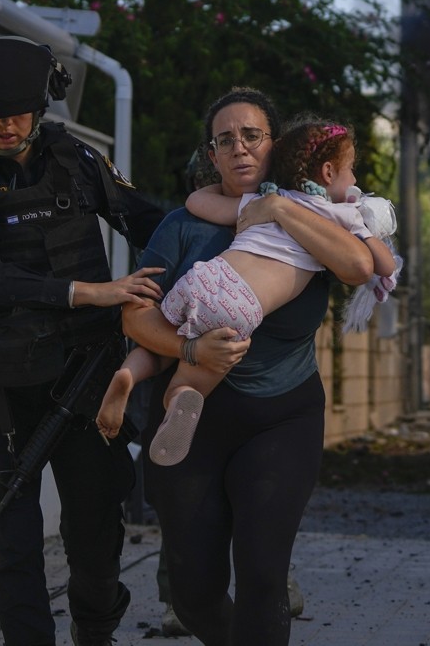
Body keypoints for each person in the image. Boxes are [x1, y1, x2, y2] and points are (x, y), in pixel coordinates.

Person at [0, 37, 169, 646]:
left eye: (18, 111)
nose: (6, 125)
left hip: (85, 376)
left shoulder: (78, 162)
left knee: (94, 531)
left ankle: (95, 630)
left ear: (39, 107)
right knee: (17, 537)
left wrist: (227, 237)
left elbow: (144, 220)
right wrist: (93, 292)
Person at [121, 88, 377, 645]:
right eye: (224, 140)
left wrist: (279, 206)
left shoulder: (312, 214)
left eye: (252, 136)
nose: (239, 149)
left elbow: (360, 265)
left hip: (282, 417)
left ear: (276, 145)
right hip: (193, 418)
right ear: (211, 155)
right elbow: (136, 318)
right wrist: (192, 352)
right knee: (193, 594)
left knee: (264, 574)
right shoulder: (183, 225)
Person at [95, 115, 400, 465]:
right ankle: (181, 396)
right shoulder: (341, 217)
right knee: (193, 378)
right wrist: (369, 230)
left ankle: (128, 374)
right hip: (240, 306)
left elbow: (197, 202)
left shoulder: (266, 200)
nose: (356, 181)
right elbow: (382, 265)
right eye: (351, 172)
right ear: (329, 174)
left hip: (205, 278)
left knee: (163, 338)